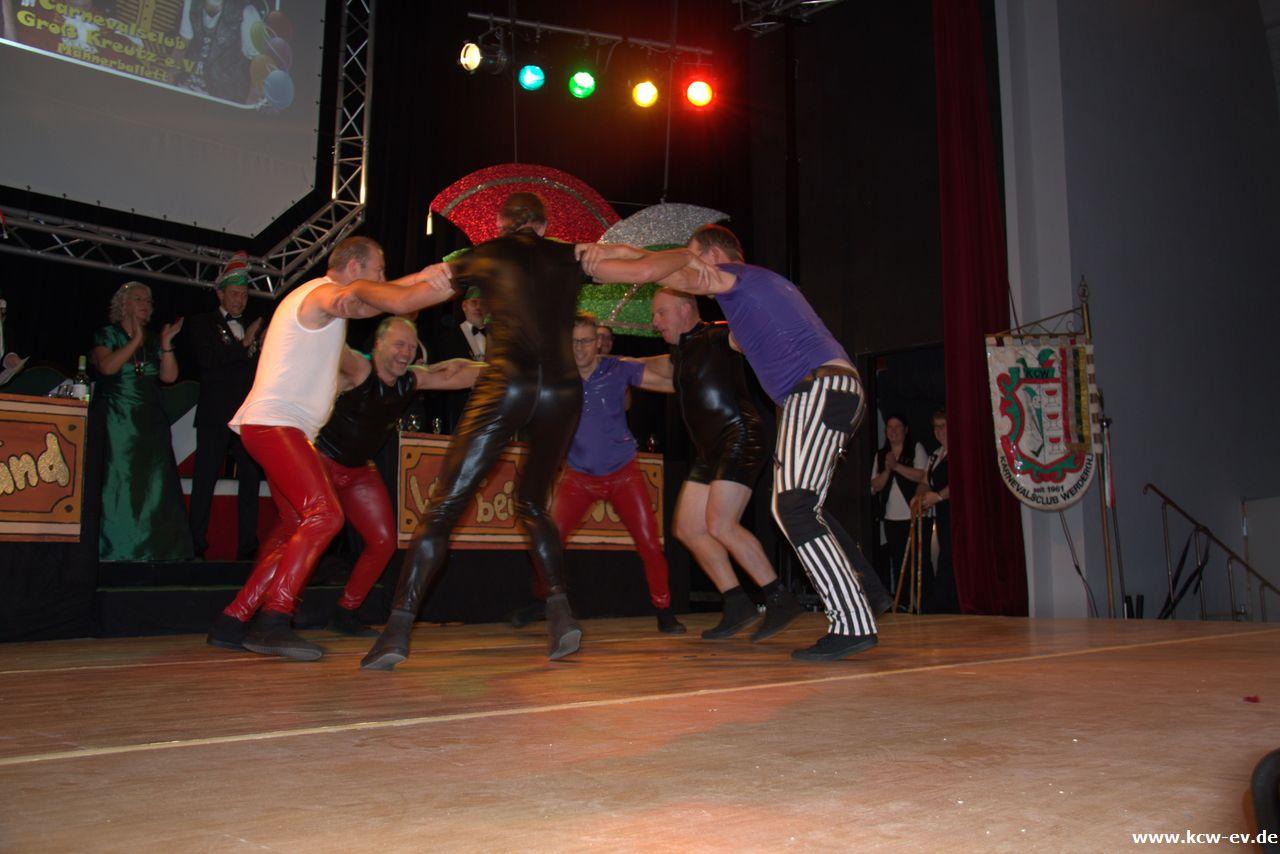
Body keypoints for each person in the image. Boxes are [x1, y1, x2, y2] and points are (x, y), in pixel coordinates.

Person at [578, 224, 889, 661]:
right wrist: (620, 250)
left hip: (817, 390)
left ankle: (851, 621)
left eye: (691, 255)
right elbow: (666, 273)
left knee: (794, 506)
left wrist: (594, 264)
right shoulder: (753, 293)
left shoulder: (736, 276)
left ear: (712, 256)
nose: (686, 268)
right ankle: (868, 591)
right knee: (804, 503)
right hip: (831, 391)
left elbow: (655, 269)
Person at [362, 192, 587, 670]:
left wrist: (359, 290)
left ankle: (397, 629)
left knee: (445, 505)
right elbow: (633, 262)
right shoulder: (571, 254)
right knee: (533, 504)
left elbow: (405, 297)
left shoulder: (484, 254)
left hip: (508, 383)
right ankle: (561, 613)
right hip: (564, 390)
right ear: (543, 225)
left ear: (502, 224)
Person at [205, 236, 455, 660]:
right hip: (276, 425)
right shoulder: (320, 295)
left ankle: (232, 619)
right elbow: (380, 301)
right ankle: (274, 620)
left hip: (277, 427)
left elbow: (376, 301)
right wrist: (442, 281)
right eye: (378, 270)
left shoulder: (322, 302)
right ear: (354, 268)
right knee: (325, 515)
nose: (382, 278)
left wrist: (421, 278)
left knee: (294, 530)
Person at [214, 316, 481, 641]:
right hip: (318, 462)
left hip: (358, 472)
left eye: (411, 347)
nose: (406, 353)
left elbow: (452, 372)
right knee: (294, 538)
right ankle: (242, 616)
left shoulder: (409, 380)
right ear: (378, 345)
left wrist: (503, 368)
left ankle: (345, 611)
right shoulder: (359, 369)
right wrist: (295, 325)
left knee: (383, 541)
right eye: (399, 344)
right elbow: (327, 346)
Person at [646, 287, 806, 641]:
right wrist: (606, 362)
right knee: (688, 528)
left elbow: (753, 336)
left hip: (741, 435)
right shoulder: (682, 355)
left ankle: (780, 598)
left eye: (661, 312)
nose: (655, 322)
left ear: (686, 308)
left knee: (720, 524)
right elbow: (645, 370)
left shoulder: (717, 335)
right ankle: (737, 604)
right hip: (710, 451)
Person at [531, 312, 685, 634]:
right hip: (578, 477)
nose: (579, 348)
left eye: (586, 341)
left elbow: (667, 379)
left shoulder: (617, 369)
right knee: (549, 540)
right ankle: (542, 603)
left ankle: (664, 610)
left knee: (649, 543)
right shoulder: (558, 376)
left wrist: (697, 371)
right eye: (574, 342)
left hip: (623, 474)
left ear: (598, 344)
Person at [90, 281, 193, 561]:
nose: (146, 305)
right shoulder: (107, 334)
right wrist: (134, 341)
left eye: (148, 301)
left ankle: (154, 549)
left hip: (150, 420)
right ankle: (114, 548)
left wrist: (166, 345)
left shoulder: (153, 339)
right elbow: (107, 367)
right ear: (123, 304)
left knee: (154, 483)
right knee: (120, 480)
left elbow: (169, 377)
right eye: (139, 299)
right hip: (117, 419)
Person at [186, 269, 264, 560]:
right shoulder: (203, 323)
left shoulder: (251, 325)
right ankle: (195, 543)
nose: (239, 300)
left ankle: (248, 547)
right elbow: (208, 361)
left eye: (244, 295)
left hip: (246, 417)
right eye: (234, 294)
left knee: (250, 480)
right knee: (205, 479)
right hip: (215, 413)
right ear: (220, 294)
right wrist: (244, 344)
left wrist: (260, 346)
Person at [870, 414, 927, 595]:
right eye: (889, 427)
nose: (893, 431)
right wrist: (888, 470)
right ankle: (902, 600)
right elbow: (875, 485)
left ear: (906, 430)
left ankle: (923, 599)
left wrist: (896, 466)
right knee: (897, 560)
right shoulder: (881, 455)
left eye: (897, 427)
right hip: (891, 517)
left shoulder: (915, 448)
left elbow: (922, 475)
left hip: (915, 514)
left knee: (917, 560)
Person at [915, 409, 957, 613]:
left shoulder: (959, 453)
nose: (939, 431)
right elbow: (925, 482)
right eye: (936, 427)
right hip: (941, 514)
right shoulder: (935, 456)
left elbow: (961, 481)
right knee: (944, 554)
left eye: (943, 426)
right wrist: (919, 496)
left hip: (956, 513)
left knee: (950, 557)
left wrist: (938, 496)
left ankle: (944, 603)